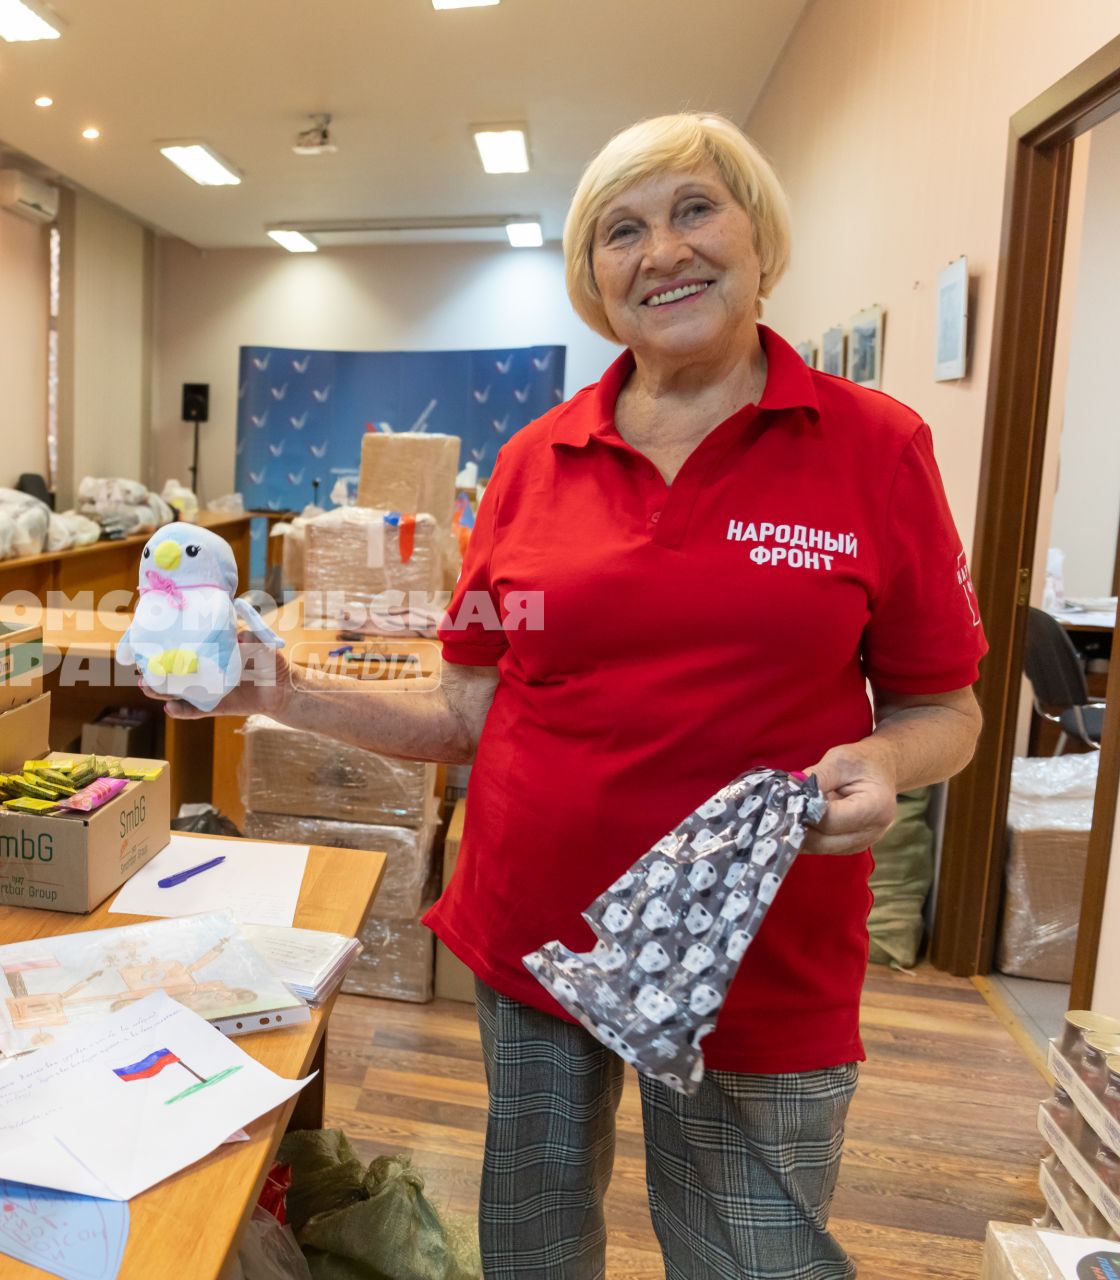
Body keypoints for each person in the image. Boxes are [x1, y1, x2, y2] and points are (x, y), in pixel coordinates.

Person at [153, 113, 985, 1277]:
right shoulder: (539, 461)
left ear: (760, 239)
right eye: (620, 231)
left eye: (695, 210)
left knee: (753, 1253)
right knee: (535, 1239)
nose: (662, 252)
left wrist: (891, 762)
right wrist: (275, 689)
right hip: (539, 928)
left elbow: (945, 705)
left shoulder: (873, 447)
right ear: (593, 277)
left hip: (758, 948)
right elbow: (467, 712)